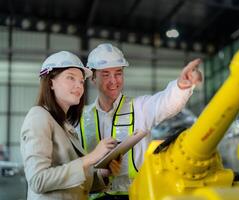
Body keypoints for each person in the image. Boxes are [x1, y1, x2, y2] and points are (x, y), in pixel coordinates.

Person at [78, 43, 203, 199]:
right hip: (95, 196)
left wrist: (182, 86)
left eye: (118, 73)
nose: (114, 80)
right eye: (105, 74)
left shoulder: (140, 107)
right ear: (92, 78)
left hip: (136, 194)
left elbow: (166, 103)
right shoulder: (81, 118)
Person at [20, 51, 122, 200]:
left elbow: (71, 184)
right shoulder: (38, 117)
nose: (79, 86)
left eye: (81, 81)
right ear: (50, 82)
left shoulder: (63, 124)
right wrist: (92, 157)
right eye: (71, 78)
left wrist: (103, 174)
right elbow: (38, 180)